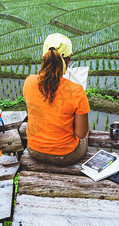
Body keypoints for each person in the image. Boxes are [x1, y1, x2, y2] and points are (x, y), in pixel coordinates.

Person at [23, 33, 90, 165]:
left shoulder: (29, 82)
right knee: (86, 133)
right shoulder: (76, 91)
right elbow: (81, 134)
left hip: (34, 150)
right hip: (66, 155)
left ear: (43, 57)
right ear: (68, 59)